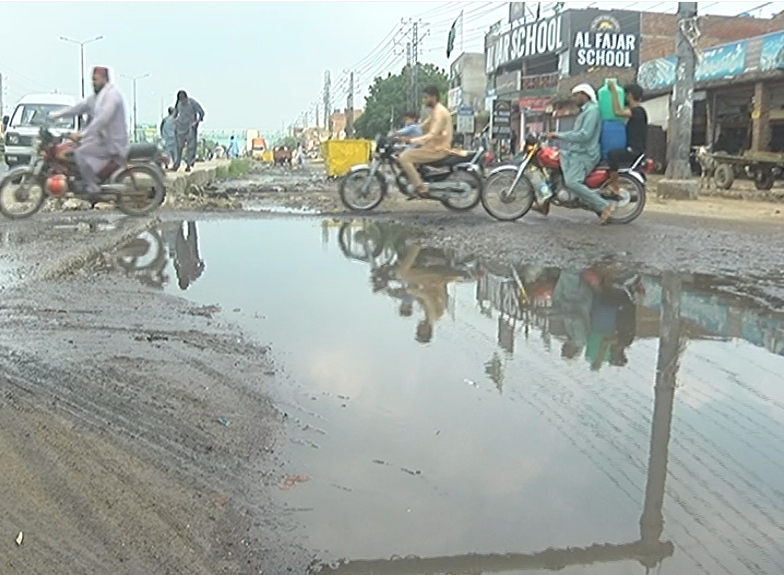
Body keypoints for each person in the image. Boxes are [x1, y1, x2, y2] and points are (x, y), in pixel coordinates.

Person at [49, 66, 128, 195]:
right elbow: (78, 108)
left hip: (112, 142)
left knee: (80, 153)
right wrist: (56, 115)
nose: (93, 83)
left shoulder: (112, 96)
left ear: (104, 79)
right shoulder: (97, 97)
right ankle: (79, 180)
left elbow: (102, 119)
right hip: (101, 139)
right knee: (72, 147)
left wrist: (82, 134)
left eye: (95, 79)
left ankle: (92, 185)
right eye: (92, 80)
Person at [546, 84, 613, 225]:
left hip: (585, 154)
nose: (574, 98)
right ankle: (545, 202)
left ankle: (603, 205)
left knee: (572, 182)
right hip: (575, 152)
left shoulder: (592, 110)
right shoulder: (585, 111)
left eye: (576, 95)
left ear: (584, 95)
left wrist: (559, 135)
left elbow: (584, 135)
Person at [398, 85, 453, 198]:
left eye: (426, 98)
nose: (424, 101)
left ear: (433, 97)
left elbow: (432, 135)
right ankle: (417, 180)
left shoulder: (439, 113)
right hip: (433, 146)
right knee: (409, 153)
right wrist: (400, 134)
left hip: (437, 149)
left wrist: (411, 140)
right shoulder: (435, 111)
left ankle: (420, 187)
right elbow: (422, 127)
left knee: (404, 157)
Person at [607, 81, 648, 194]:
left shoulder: (638, 111)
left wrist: (614, 92)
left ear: (629, 96)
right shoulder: (637, 112)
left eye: (624, 95)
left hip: (634, 150)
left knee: (612, 154)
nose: (623, 98)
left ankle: (615, 186)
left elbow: (617, 112)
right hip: (634, 149)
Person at [172, 89, 205, 172]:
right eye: (181, 101)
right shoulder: (178, 103)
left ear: (186, 98)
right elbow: (175, 112)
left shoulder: (192, 102)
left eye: (184, 100)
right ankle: (176, 164)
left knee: (191, 147)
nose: (183, 102)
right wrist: (174, 118)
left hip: (190, 127)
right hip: (180, 127)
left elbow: (201, 112)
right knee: (178, 147)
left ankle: (189, 164)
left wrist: (197, 121)